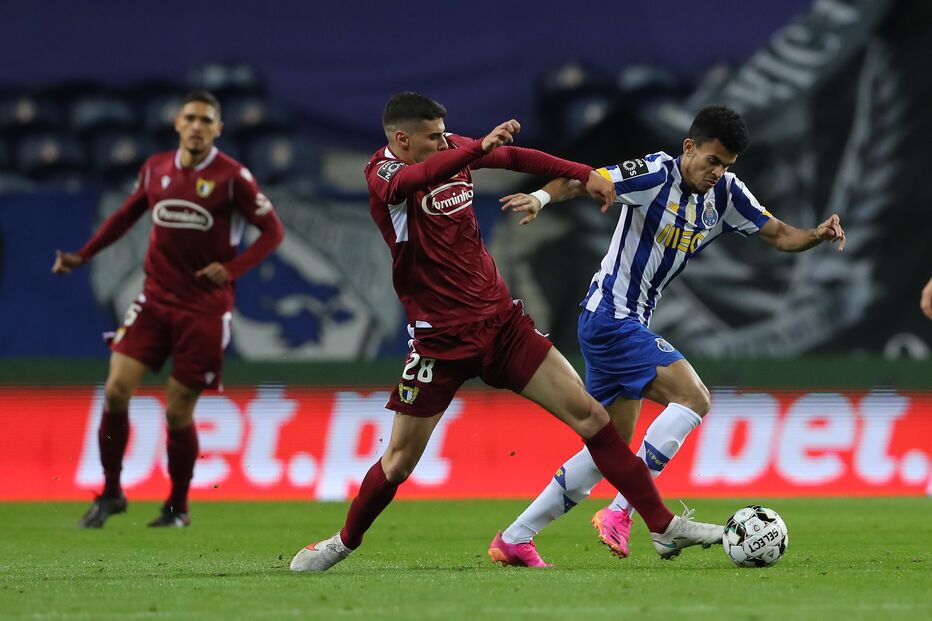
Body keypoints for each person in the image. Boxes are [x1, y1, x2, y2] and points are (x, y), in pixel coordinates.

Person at [289, 92, 724, 573]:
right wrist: (475, 150)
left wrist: (583, 173)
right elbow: (414, 180)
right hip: (440, 342)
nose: (444, 142)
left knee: (592, 417)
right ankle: (343, 542)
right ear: (402, 139)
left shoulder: (450, 149)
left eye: (445, 135)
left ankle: (661, 525)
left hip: (501, 326)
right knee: (398, 463)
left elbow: (516, 157)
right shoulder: (384, 173)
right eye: (433, 137)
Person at [493, 104, 846, 563]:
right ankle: (624, 513)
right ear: (689, 147)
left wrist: (816, 234)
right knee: (694, 398)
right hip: (610, 317)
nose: (717, 173)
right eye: (712, 161)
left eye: (726, 165)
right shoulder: (655, 174)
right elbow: (585, 180)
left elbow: (778, 234)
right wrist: (541, 198)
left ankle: (516, 538)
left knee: (608, 449)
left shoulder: (726, 194)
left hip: (625, 322)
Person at [53, 90, 285, 528]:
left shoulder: (232, 177)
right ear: (177, 124)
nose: (197, 126)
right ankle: (111, 492)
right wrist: (84, 255)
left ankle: (177, 506)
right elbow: (125, 216)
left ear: (218, 129)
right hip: (154, 299)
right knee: (116, 389)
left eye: (206, 120)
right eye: (190, 118)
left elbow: (273, 232)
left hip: (204, 308)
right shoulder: (156, 168)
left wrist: (232, 269)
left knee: (178, 409)